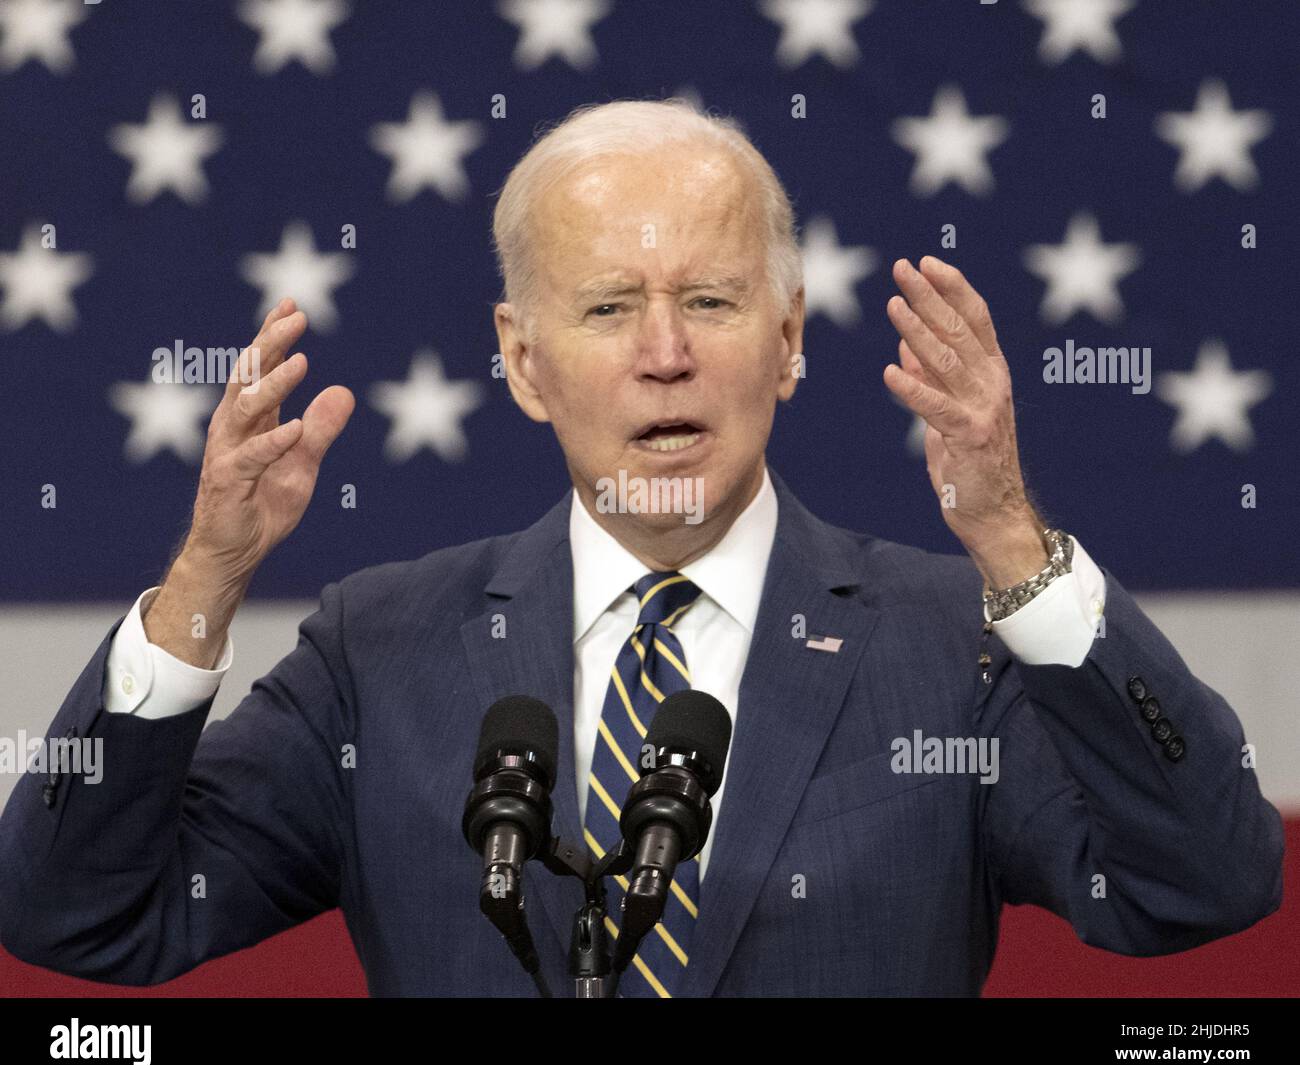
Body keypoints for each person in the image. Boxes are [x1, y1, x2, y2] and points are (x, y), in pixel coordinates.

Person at [0, 99, 1282, 997]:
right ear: (520, 359)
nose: (665, 351)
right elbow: (81, 917)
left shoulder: (947, 645)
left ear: (787, 338)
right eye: (609, 306)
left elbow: (1202, 884)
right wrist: (204, 585)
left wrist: (1013, 540)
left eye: (711, 301)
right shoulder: (382, 651)